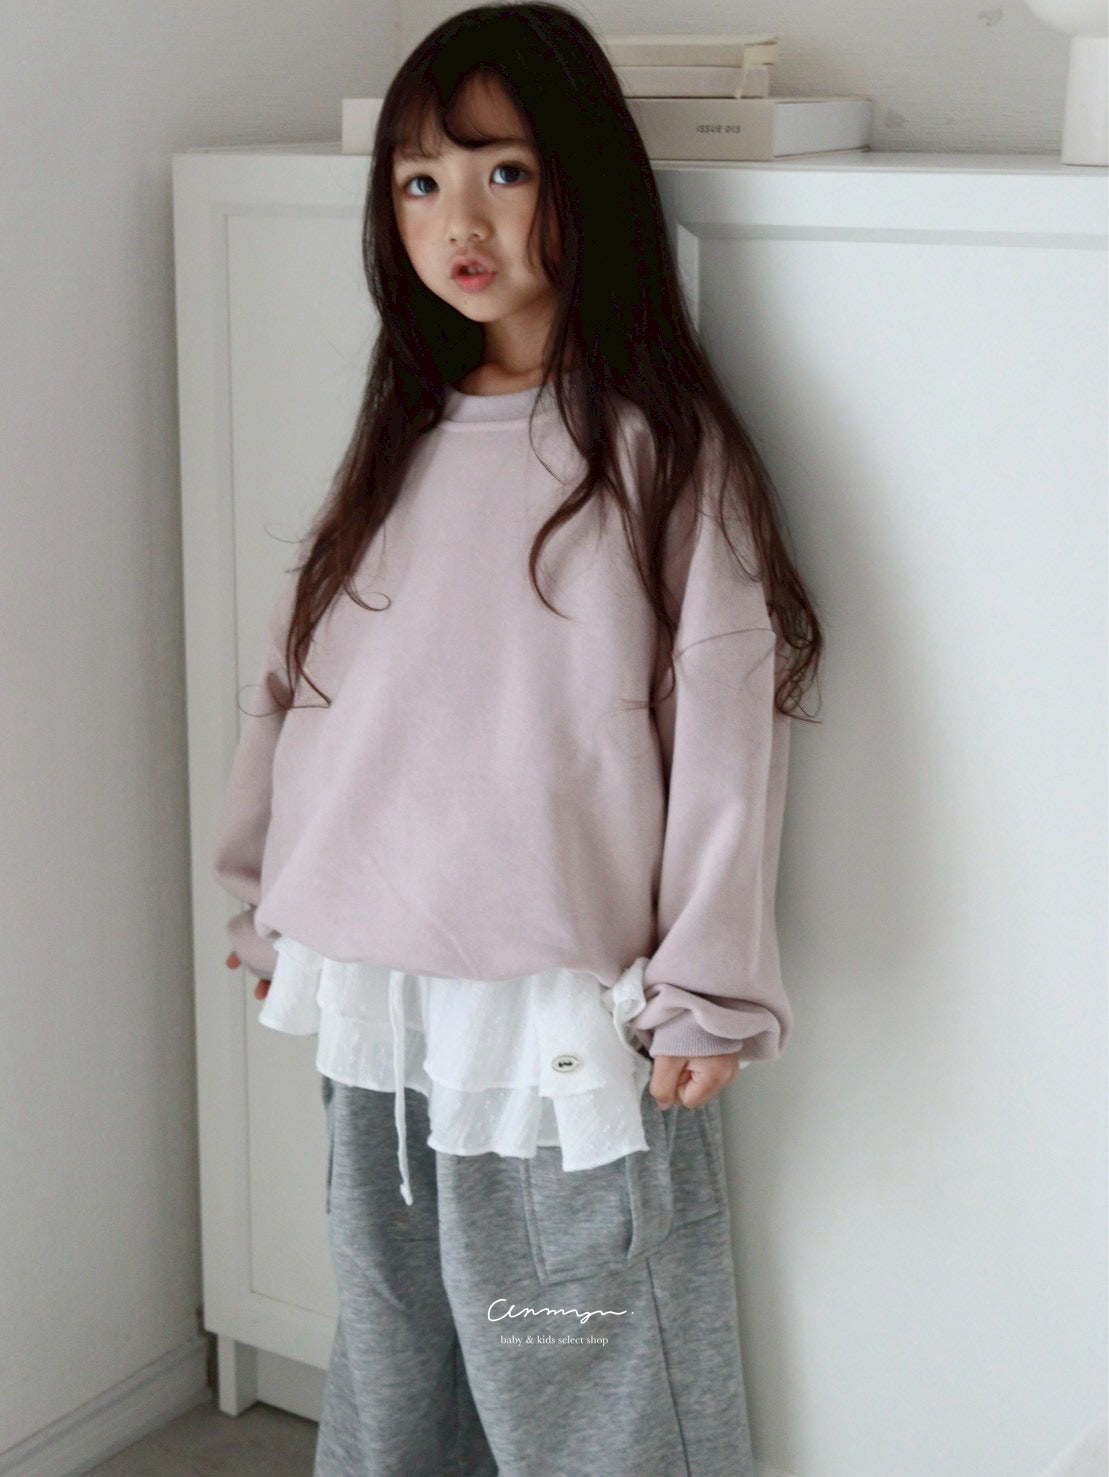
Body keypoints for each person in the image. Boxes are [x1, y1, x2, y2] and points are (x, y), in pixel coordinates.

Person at [214, 4, 824, 1473]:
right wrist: (263, 893)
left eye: (503, 171)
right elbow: (302, 688)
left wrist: (708, 987)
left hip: (555, 1013)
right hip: (374, 989)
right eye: (419, 183)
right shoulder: (403, 436)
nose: (458, 222)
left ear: (583, 183)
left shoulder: (657, 453)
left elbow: (724, 731)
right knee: (397, 1349)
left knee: (579, 1361)